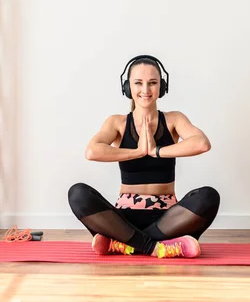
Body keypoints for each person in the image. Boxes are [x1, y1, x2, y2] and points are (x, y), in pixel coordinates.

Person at [68, 55, 220, 259]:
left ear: (162, 87)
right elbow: (92, 151)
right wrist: (138, 152)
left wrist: (156, 151)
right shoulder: (117, 123)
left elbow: (201, 143)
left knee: (209, 196)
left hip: (168, 219)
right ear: (128, 87)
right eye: (138, 83)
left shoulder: (174, 119)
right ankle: (157, 247)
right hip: (123, 220)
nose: (145, 90)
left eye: (153, 83)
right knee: (77, 193)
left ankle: (125, 244)